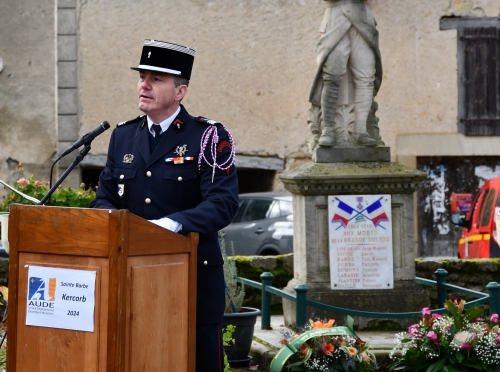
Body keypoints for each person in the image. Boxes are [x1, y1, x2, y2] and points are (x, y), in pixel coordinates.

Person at [89, 39, 239, 372]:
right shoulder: (123, 136)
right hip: (133, 282)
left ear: (180, 91)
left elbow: (223, 203)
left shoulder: (208, 137)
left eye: (156, 79)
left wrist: (172, 225)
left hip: (192, 284)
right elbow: (106, 199)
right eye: (142, 76)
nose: (143, 84)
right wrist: (115, 225)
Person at [308, 0, 383, 148]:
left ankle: (361, 131)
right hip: (335, 18)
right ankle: (328, 129)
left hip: (363, 18)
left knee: (366, 77)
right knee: (332, 75)